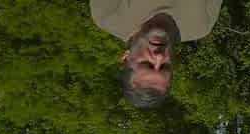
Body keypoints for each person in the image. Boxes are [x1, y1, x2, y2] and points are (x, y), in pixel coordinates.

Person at [90, 0, 223, 108]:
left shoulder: (108, 16)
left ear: (126, 58)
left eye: (147, 64)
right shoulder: (200, 26)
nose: (159, 57)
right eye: (165, 66)